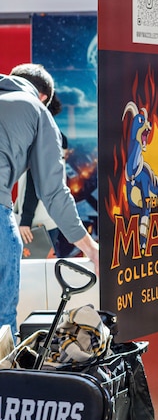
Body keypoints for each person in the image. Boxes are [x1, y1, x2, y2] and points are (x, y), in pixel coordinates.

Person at [0, 64, 100, 335]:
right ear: (43, 96)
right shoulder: (37, 112)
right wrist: (90, 249)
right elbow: (52, 191)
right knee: (2, 319)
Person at [15, 94, 72, 258]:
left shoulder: (40, 140)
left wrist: (26, 219)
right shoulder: (58, 138)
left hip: (36, 221)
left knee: (34, 273)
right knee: (47, 270)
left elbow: (35, 181)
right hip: (51, 216)